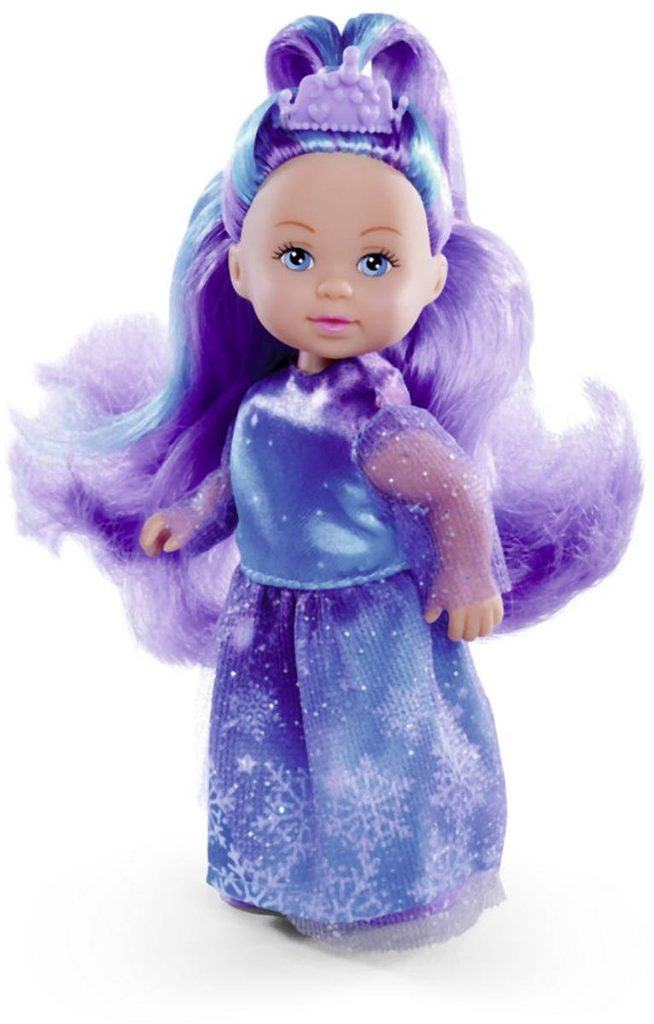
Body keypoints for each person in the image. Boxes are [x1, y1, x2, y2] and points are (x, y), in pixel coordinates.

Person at [11, 13, 641, 953]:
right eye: (297, 257)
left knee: (367, 757)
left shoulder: (379, 419)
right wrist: (188, 518)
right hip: (268, 618)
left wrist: (469, 572)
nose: (335, 287)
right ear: (240, 266)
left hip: (365, 630)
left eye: (375, 261)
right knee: (268, 758)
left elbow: (452, 492)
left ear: (432, 278)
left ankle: (377, 885)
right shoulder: (263, 403)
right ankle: (274, 869)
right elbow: (238, 485)